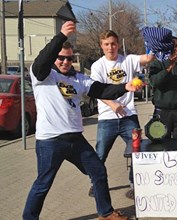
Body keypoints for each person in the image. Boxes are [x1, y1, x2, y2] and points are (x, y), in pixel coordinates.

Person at [22, 21, 142, 220]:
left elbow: (102, 90)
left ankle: (106, 213)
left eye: (68, 59)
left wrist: (125, 86)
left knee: (98, 171)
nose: (64, 62)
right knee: (43, 183)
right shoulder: (42, 76)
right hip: (50, 141)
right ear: (54, 59)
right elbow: (43, 60)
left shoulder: (79, 79)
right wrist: (61, 36)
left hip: (75, 140)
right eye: (60, 58)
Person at [89, 30, 155, 199]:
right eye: (106, 44)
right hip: (107, 119)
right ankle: (95, 184)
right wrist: (113, 105)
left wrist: (155, 44)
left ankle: (135, 184)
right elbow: (97, 91)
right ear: (101, 46)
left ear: (118, 45)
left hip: (129, 116)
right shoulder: (98, 66)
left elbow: (147, 59)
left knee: (137, 150)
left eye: (113, 44)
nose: (110, 47)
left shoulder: (128, 60)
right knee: (100, 154)